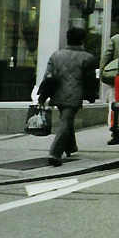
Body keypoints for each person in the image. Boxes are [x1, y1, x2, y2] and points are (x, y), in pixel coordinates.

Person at [39, 27, 99, 166]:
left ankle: (71, 146)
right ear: (83, 40)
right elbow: (90, 80)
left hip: (57, 93)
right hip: (74, 94)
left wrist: (43, 95)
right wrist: (91, 96)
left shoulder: (56, 55)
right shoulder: (88, 58)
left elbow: (48, 77)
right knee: (65, 122)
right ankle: (55, 152)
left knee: (66, 119)